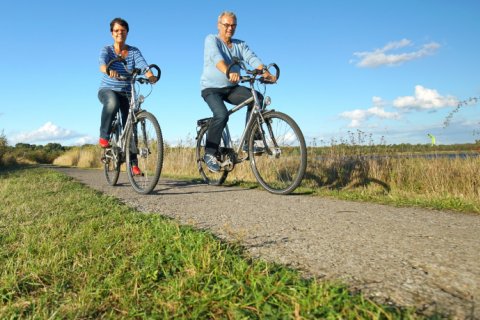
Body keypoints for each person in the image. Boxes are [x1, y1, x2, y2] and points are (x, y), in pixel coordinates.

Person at [200, 11, 276, 172]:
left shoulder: (240, 44)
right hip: (211, 89)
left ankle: (251, 141)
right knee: (221, 114)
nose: (230, 28)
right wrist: (228, 71)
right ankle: (209, 153)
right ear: (219, 25)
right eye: (226, 25)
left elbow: (252, 58)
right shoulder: (211, 40)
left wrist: (265, 72)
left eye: (233, 25)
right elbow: (216, 58)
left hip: (231, 88)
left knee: (257, 98)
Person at [98, 17, 157, 175]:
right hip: (108, 89)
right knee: (112, 103)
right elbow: (102, 64)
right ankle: (104, 135)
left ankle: (133, 163)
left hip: (127, 91)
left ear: (127, 33)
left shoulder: (133, 51)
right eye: (116, 31)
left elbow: (143, 65)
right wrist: (108, 70)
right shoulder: (107, 50)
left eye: (122, 31)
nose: (119, 33)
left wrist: (151, 75)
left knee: (131, 124)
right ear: (112, 33)